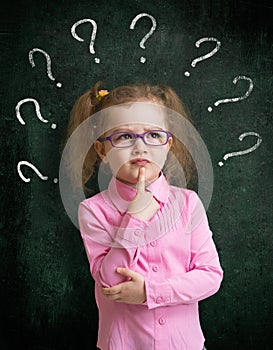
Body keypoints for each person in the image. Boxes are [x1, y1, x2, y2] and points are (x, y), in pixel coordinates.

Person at [66, 81, 223, 350]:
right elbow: (110, 281)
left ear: (168, 144)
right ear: (103, 150)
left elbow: (210, 276)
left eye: (153, 135)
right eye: (124, 137)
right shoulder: (93, 210)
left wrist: (150, 293)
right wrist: (135, 219)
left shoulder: (187, 203)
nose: (141, 148)